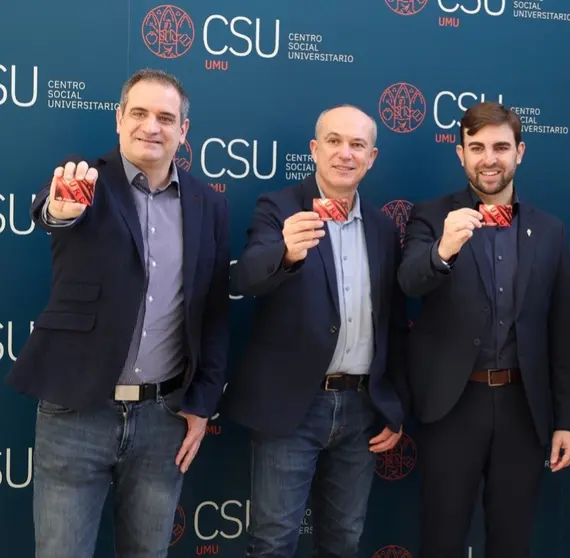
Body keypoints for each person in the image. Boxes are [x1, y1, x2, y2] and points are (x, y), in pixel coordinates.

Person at [5, 68, 231, 558]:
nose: (152, 126)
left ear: (183, 131)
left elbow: (213, 312)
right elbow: (53, 210)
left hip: (162, 419)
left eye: (166, 118)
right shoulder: (84, 179)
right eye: (140, 113)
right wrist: (60, 211)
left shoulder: (208, 206)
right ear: (119, 119)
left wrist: (201, 404)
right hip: (76, 412)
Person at [221, 104, 409, 558]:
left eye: (357, 145)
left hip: (361, 409)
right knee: (272, 541)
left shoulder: (384, 228)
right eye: (334, 141)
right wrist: (284, 253)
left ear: (372, 157)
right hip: (292, 407)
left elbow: (394, 325)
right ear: (314, 149)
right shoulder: (278, 207)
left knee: (344, 541)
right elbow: (243, 278)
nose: (345, 153)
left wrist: (393, 402)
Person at [397, 101, 570, 558]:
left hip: (524, 408)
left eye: (501, 147)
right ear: (460, 155)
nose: (489, 158)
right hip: (453, 405)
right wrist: (444, 248)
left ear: (520, 152)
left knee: (512, 542)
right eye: (476, 147)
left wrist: (568, 423)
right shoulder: (430, 215)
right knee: (441, 539)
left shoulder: (551, 230)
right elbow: (409, 280)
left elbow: (563, 330)